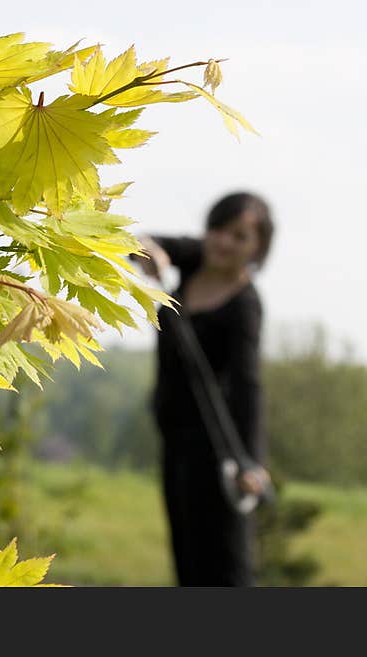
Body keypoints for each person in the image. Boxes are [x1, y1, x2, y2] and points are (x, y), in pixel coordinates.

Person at [132, 191, 275, 587]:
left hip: (220, 452)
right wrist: (151, 254)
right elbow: (139, 242)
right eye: (218, 229)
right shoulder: (196, 258)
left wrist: (252, 461)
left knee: (226, 562)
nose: (224, 242)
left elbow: (249, 385)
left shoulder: (245, 305)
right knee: (187, 559)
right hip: (175, 440)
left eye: (239, 236)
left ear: (257, 247)